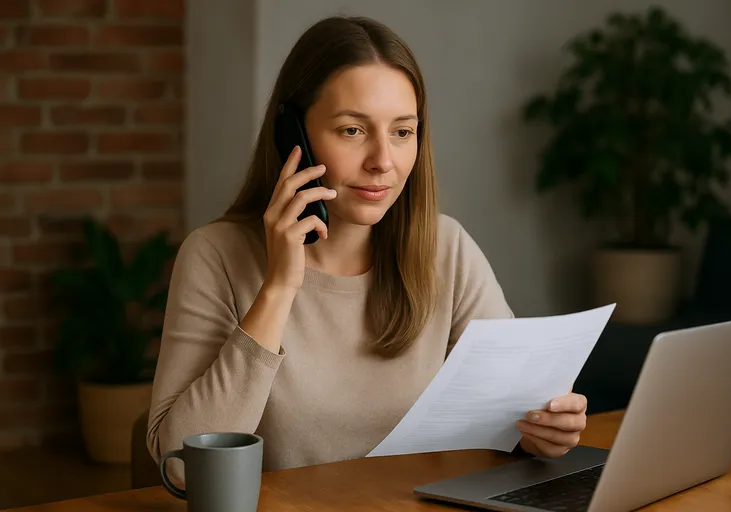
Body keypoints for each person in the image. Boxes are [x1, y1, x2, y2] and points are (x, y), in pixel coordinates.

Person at [146, 15, 588, 484]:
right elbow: (183, 469)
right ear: (292, 135)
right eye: (352, 130)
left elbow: (505, 418)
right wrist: (279, 288)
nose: (383, 162)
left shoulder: (447, 249)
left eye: (402, 132)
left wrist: (540, 429)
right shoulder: (215, 255)